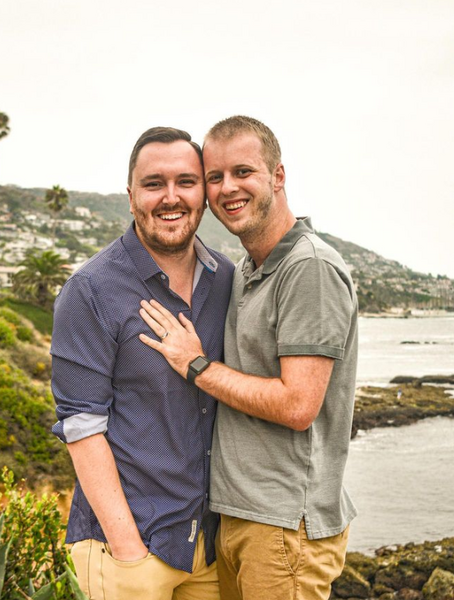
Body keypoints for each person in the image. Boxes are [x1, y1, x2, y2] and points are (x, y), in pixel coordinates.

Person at [139, 116, 358, 600]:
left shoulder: (309, 269)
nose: (227, 188)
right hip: (239, 519)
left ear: (278, 176)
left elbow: (298, 405)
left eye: (243, 172)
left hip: (283, 528)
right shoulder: (247, 270)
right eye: (214, 177)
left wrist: (197, 366)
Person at [50, 126, 234, 600]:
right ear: (131, 195)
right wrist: (128, 549)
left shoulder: (227, 280)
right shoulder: (90, 290)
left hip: (207, 548)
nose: (170, 197)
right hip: (129, 550)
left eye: (186, 182)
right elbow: (81, 426)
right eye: (154, 184)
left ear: (206, 193)